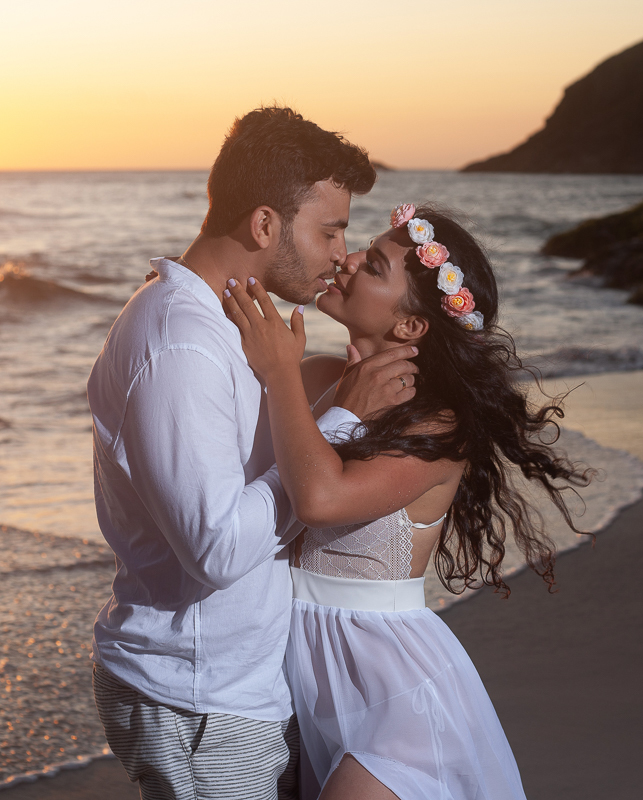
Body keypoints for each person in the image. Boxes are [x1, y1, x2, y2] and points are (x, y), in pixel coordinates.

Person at [86, 107, 419, 800]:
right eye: (329, 231)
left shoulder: (226, 322)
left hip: (232, 687)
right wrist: (340, 423)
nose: (339, 254)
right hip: (198, 697)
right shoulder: (182, 342)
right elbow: (217, 549)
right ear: (265, 225)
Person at [223, 203, 593, 799]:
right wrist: (172, 302)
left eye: (371, 266)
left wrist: (280, 375)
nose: (343, 260)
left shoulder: (438, 428)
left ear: (411, 327)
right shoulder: (315, 379)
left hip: (394, 695)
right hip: (302, 675)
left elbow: (319, 500)